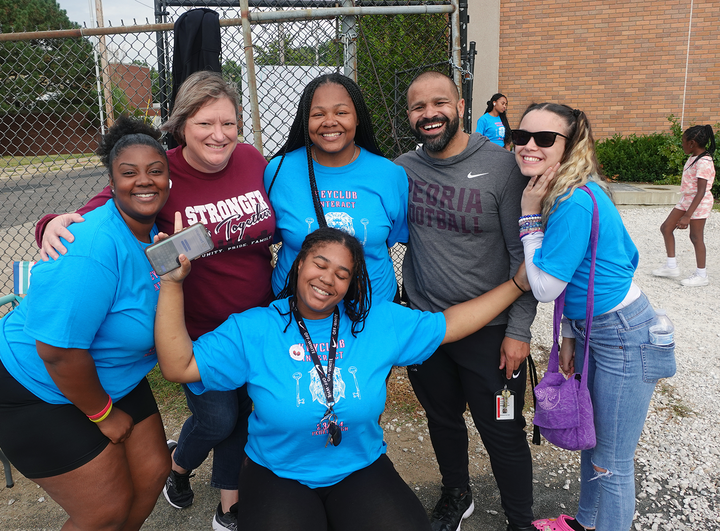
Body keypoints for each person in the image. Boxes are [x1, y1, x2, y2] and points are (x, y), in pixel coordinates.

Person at [154, 225, 531, 531]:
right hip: (278, 473)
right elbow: (178, 366)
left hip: (359, 466)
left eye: (342, 274)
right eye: (319, 264)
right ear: (299, 264)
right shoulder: (255, 328)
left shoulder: (376, 322)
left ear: (351, 284)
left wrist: (516, 285)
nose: (327, 279)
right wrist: (171, 284)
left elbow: (451, 324)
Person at [35, 71, 276, 530]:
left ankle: (230, 501)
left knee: (248, 408)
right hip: (198, 329)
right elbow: (96, 211)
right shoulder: (160, 171)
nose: (219, 135)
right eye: (205, 123)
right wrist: (49, 224)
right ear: (181, 125)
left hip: (256, 320)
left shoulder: (251, 160)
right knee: (218, 418)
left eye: (229, 123)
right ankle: (179, 466)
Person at [0, 117, 171, 531]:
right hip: (33, 383)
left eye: (155, 171)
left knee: (153, 473)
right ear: (111, 183)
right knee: (105, 510)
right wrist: (103, 414)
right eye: (129, 173)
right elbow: (57, 352)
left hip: (110, 373)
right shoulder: (91, 246)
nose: (144, 181)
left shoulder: (154, 231)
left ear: (169, 179)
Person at [515, 103, 676, 531]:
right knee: (591, 441)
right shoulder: (571, 189)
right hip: (597, 329)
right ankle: (584, 524)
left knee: (612, 462)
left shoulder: (572, 201)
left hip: (624, 333)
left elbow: (545, 287)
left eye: (544, 138)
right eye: (521, 136)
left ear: (569, 145)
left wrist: (529, 217)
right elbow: (592, 270)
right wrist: (571, 334)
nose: (529, 146)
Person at [395, 71, 537, 531]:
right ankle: (457, 493)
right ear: (409, 116)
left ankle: (520, 521)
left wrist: (519, 331)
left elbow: (525, 259)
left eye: (439, 103)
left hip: (490, 331)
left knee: (503, 429)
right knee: (442, 419)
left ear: (460, 107)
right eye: (418, 107)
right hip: (429, 326)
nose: (429, 114)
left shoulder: (503, 167)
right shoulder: (402, 169)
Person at [264, 73, 408, 303]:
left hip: (374, 307)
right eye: (318, 114)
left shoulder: (390, 175)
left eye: (341, 112)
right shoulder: (278, 171)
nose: (329, 121)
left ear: (358, 118)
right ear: (305, 120)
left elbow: (392, 237)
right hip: (294, 306)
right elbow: (272, 235)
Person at [652, 124, 716, 286]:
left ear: (692, 143)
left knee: (696, 237)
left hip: (699, 202)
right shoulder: (695, 157)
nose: (682, 144)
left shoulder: (704, 162)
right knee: (666, 228)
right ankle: (671, 266)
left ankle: (702, 275)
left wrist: (687, 216)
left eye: (683, 141)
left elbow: (701, 192)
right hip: (687, 199)